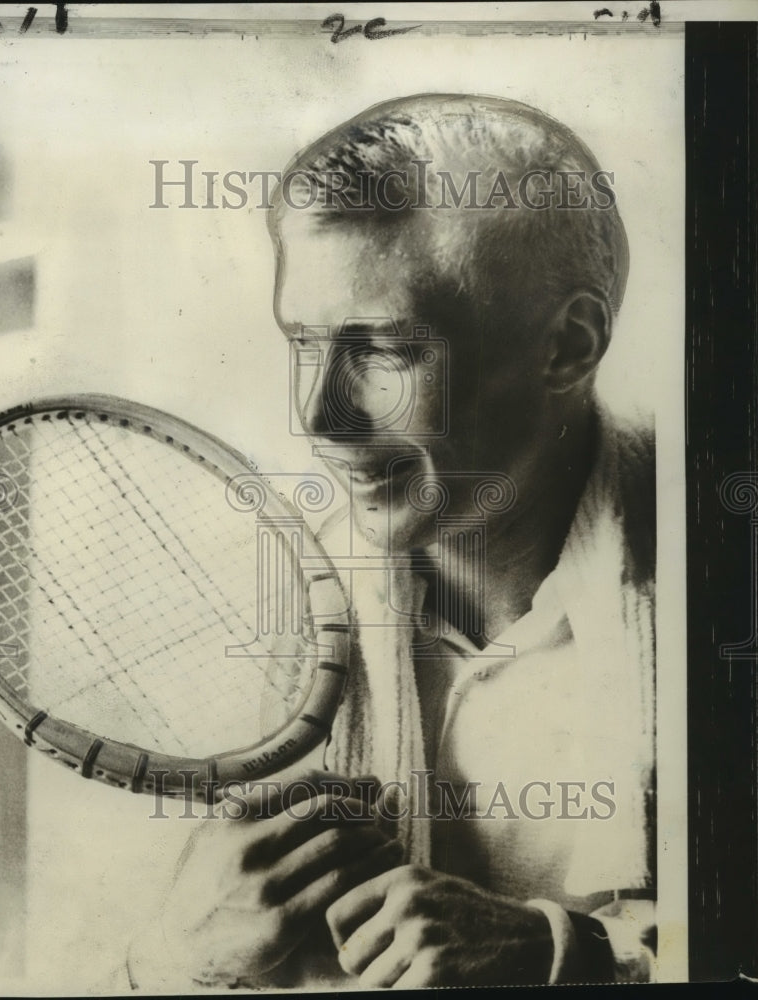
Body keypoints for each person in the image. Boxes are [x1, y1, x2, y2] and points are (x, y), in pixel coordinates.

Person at [128, 93, 656, 989]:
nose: (320, 418)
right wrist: (172, 962)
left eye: (383, 351)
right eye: (304, 342)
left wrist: (567, 960)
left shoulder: (721, 591)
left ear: (567, 347)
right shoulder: (261, 630)